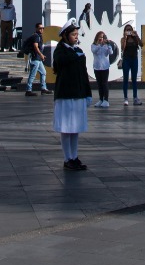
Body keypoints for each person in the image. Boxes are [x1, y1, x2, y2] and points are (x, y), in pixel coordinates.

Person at [51, 21, 92, 169]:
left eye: (76, 34)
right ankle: (67, 158)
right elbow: (61, 61)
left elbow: (84, 75)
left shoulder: (78, 51)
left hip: (78, 93)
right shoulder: (60, 50)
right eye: (73, 34)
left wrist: (88, 93)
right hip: (65, 94)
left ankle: (74, 156)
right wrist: (76, 56)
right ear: (65, 36)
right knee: (66, 128)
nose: (76, 37)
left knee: (75, 128)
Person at [90, 30, 117, 108]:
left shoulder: (106, 45)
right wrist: (99, 45)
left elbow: (111, 52)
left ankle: (106, 100)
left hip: (105, 67)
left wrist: (108, 44)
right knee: (99, 84)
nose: (101, 39)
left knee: (104, 83)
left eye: (102, 37)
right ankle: (101, 99)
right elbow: (94, 51)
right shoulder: (94, 45)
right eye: (100, 37)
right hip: (97, 67)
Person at [120, 23, 143, 105]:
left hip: (134, 59)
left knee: (134, 79)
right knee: (125, 78)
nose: (129, 31)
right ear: (125, 31)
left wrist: (136, 36)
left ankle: (135, 97)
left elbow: (141, 44)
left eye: (130, 29)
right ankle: (125, 98)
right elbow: (122, 48)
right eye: (127, 30)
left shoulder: (135, 38)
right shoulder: (123, 39)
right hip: (126, 59)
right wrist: (125, 38)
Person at [23, 27, 49, 95]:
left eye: (43, 28)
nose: (42, 29)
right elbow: (36, 47)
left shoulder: (38, 36)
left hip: (38, 59)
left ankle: (43, 89)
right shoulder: (36, 36)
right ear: (36, 29)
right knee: (32, 75)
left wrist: (41, 56)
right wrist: (41, 55)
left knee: (43, 72)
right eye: (40, 28)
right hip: (35, 59)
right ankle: (28, 90)